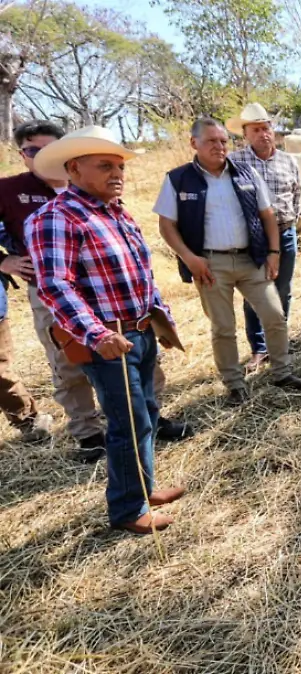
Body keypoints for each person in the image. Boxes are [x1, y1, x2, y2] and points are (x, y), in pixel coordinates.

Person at [27, 126, 188, 534]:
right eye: (105, 166)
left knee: (146, 413)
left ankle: (142, 488)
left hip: (139, 331)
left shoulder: (115, 210)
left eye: (119, 166)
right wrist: (96, 334)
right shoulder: (55, 217)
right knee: (127, 421)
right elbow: (54, 285)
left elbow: (141, 272)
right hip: (108, 340)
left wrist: (160, 316)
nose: (118, 173)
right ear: (74, 168)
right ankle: (127, 510)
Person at [155, 117, 301, 403]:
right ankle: (235, 385)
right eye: (211, 141)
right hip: (210, 265)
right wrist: (190, 258)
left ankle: (282, 372)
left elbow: (267, 216)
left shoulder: (247, 173)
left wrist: (273, 253)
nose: (219, 146)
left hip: (251, 260)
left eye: (223, 141)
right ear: (194, 143)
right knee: (223, 328)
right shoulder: (177, 179)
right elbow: (166, 226)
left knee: (275, 316)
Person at [227, 103, 301, 374]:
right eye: (256, 129)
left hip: (286, 232)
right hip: (253, 237)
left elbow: (297, 191)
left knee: (283, 288)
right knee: (254, 292)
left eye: (266, 128)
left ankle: (278, 341)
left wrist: (295, 216)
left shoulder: (288, 160)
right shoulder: (236, 162)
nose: (263, 134)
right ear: (245, 134)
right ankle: (259, 348)